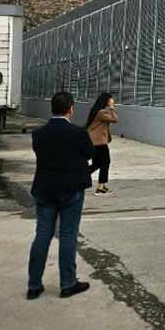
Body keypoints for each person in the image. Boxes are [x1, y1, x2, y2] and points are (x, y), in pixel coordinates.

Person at [27, 91, 94, 300]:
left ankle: (34, 285)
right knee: (68, 235)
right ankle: (67, 283)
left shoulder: (38, 134)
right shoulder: (78, 133)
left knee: (42, 235)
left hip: (45, 188)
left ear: (51, 109)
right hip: (71, 188)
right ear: (71, 109)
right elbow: (90, 153)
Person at [86, 92, 118, 195]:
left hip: (95, 141)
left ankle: (78, 176)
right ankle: (100, 187)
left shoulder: (98, 111)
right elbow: (115, 119)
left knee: (97, 163)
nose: (112, 101)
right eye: (110, 100)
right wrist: (112, 107)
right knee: (106, 162)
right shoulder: (101, 113)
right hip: (98, 142)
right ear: (107, 101)